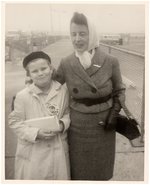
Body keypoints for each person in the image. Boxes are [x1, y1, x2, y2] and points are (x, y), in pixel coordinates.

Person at [55, 12, 126, 180]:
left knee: (100, 169)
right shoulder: (66, 62)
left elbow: (119, 90)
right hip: (77, 125)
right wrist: (29, 92)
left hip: (105, 123)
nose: (77, 39)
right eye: (73, 34)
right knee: (79, 170)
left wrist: (114, 115)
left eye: (82, 34)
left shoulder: (110, 60)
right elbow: (53, 86)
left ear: (92, 34)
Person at [8, 51, 70, 180]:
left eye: (44, 68)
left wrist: (62, 124)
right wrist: (35, 133)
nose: (41, 73)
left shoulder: (63, 91)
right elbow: (14, 122)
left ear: (51, 69)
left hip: (57, 148)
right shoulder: (23, 96)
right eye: (35, 71)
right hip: (33, 152)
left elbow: (67, 113)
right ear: (29, 75)